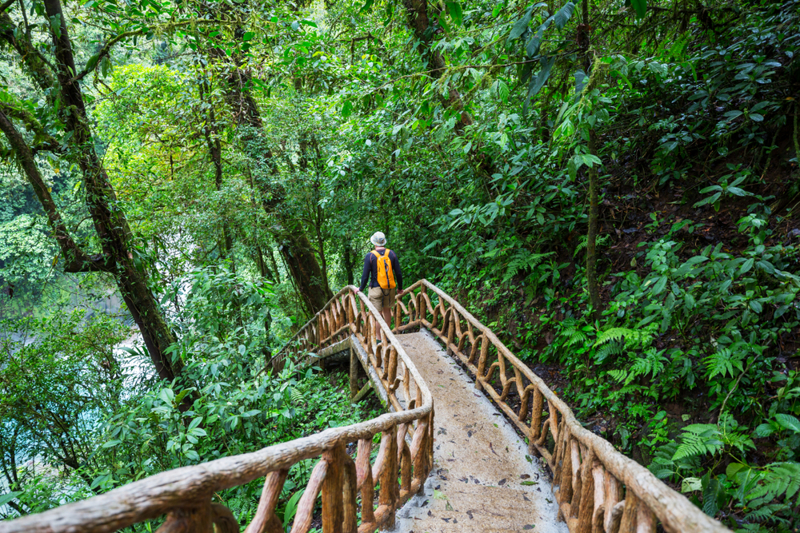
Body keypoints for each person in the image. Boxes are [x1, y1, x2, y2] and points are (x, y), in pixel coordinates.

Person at [353, 231, 405, 343]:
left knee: (376, 314)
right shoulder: (391, 254)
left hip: (375, 289)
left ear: (374, 242)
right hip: (389, 288)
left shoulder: (370, 255)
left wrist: (360, 288)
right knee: (387, 311)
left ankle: (378, 338)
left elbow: (365, 275)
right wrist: (400, 287)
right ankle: (386, 336)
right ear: (383, 242)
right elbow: (398, 273)